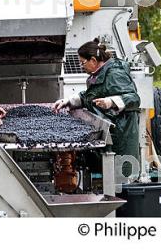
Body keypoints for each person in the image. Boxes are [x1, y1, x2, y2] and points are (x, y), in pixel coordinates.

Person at [53, 38, 140, 176]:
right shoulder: (99, 74)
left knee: (122, 175)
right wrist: (69, 101)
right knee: (109, 173)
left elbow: (134, 98)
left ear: (93, 60)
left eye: (83, 63)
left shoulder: (115, 73)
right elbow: (92, 95)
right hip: (110, 132)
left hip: (122, 134)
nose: (82, 66)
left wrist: (111, 102)